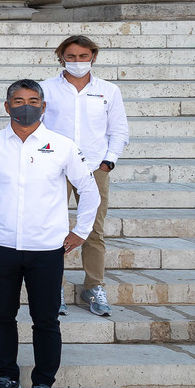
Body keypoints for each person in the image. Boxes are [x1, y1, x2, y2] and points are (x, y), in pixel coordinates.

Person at [0, 80, 100, 388]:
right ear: (7, 106)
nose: (26, 106)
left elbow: (89, 190)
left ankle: (43, 383)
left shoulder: (62, 145)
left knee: (46, 319)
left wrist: (81, 231)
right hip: (1, 245)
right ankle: (7, 375)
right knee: (2, 315)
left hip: (47, 248)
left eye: (33, 100)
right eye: (19, 100)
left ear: (44, 106)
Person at [41, 35, 129, 317]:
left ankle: (94, 286)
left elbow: (119, 130)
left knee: (94, 229)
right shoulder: (46, 89)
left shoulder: (108, 91)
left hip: (94, 168)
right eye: (71, 56)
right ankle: (54, 287)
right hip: (56, 168)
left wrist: (107, 163)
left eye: (83, 56)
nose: (77, 62)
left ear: (93, 57)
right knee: (52, 229)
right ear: (61, 57)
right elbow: (36, 127)